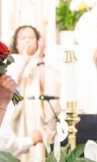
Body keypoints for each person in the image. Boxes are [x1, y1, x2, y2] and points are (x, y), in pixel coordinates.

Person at [9, 25, 61, 155]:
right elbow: (11, 86)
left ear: (39, 42)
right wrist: (25, 60)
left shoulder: (48, 63)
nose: (27, 41)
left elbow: (48, 88)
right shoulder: (11, 62)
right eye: (23, 38)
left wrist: (38, 58)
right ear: (16, 44)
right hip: (18, 117)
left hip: (38, 114)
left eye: (31, 37)